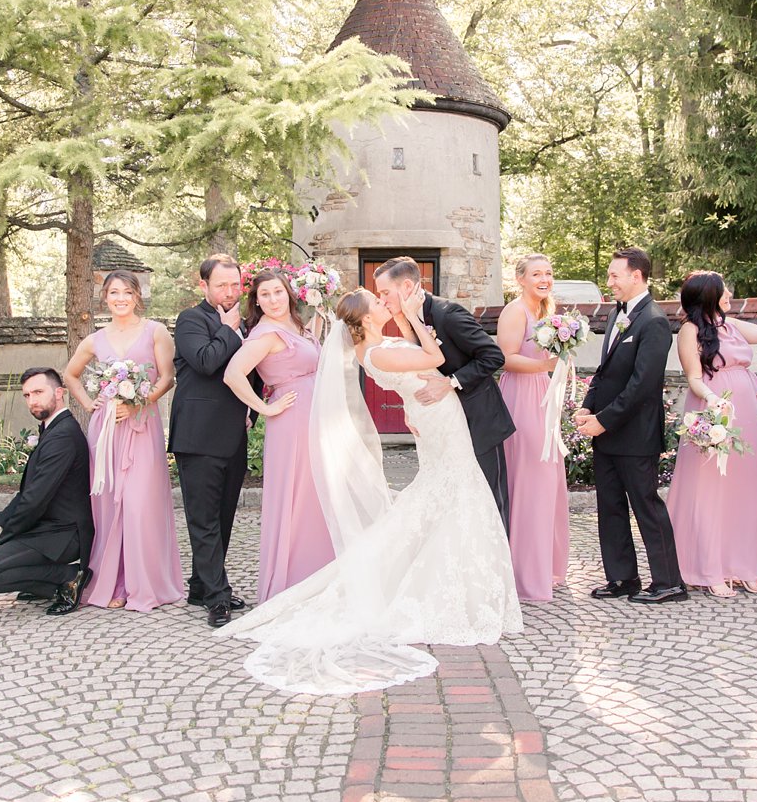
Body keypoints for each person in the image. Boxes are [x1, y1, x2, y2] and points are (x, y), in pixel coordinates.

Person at [218, 286, 521, 695]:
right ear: (364, 319)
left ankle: (459, 580)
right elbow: (435, 358)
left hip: (435, 416)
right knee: (451, 490)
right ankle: (436, 584)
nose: (384, 303)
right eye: (377, 302)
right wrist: (414, 315)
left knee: (448, 494)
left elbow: (422, 368)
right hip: (439, 420)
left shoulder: (379, 344)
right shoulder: (376, 352)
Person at [63, 271, 183, 612]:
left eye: (126, 292)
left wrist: (139, 404)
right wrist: (89, 404)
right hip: (106, 431)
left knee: (138, 504)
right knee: (110, 504)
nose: (120, 298)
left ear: (137, 296)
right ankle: (114, 583)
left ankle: (145, 584)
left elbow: (167, 377)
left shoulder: (155, 331)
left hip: (142, 425)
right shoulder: (94, 340)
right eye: (113, 292)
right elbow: (70, 375)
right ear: (105, 298)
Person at [667, 272, 757, 597]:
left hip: (745, 411)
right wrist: (712, 400)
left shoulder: (731, 324)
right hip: (713, 409)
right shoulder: (690, 330)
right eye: (723, 289)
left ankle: (747, 566)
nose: (729, 293)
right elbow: (694, 376)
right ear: (709, 294)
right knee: (711, 491)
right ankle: (710, 569)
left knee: (750, 488)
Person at [575, 247, 686, 605]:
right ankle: (622, 578)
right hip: (606, 431)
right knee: (609, 507)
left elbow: (642, 385)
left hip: (634, 434)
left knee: (646, 506)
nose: (609, 283)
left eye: (614, 276)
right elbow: (606, 372)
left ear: (636, 276)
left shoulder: (653, 321)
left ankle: (669, 582)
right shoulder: (616, 316)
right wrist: (586, 406)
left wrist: (602, 420)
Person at [374, 256, 515, 533]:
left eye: (385, 292)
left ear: (406, 287)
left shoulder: (448, 314)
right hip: (448, 428)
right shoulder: (413, 318)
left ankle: (500, 572)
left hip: (479, 421)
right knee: (462, 503)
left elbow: (493, 356)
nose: (382, 299)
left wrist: (450, 382)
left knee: (490, 501)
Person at [223, 268, 332, 602]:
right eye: (264, 295)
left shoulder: (295, 325)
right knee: (298, 497)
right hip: (293, 418)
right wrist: (265, 408)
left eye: (277, 292)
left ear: (289, 293)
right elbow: (233, 374)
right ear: (256, 301)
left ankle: (321, 572)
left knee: (317, 494)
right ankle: (293, 579)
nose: (272, 300)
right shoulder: (266, 334)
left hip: (315, 413)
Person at [169, 254, 258, 627]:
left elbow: (251, 369)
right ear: (203, 285)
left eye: (235, 285)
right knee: (203, 520)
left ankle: (199, 585)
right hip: (198, 436)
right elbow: (205, 362)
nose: (230, 292)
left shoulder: (247, 323)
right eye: (221, 285)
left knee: (221, 518)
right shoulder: (191, 320)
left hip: (233, 434)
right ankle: (218, 599)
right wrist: (227, 328)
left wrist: (253, 409)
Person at [0, 368, 94, 616]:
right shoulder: (51, 427)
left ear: (59, 393)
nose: (32, 400)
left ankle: (67, 578)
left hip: (63, 533)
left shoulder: (63, 435)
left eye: (38, 392)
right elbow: (28, 492)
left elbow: (35, 500)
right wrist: (0, 524)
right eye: (26, 395)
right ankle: (39, 580)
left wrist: (4, 535)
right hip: (46, 521)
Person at [495, 253, 571, 602]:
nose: (544, 278)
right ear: (520, 279)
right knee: (528, 481)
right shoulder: (515, 311)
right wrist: (548, 365)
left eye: (549, 273)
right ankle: (522, 573)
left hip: (544, 397)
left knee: (548, 481)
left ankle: (545, 567)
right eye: (537, 273)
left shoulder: (548, 313)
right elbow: (505, 358)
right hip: (522, 398)